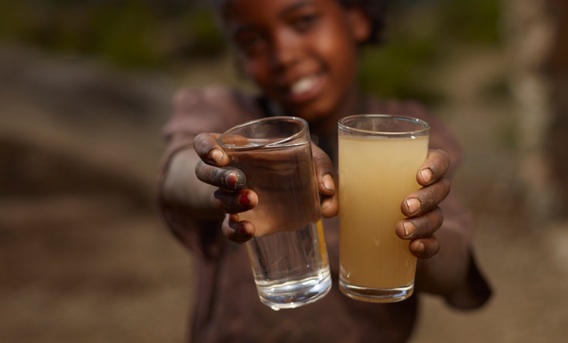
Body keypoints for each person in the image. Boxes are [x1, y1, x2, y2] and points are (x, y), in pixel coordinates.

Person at [157, 0, 492, 341]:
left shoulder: (408, 132)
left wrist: (422, 240)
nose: (283, 55)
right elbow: (177, 172)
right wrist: (226, 175)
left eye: (303, 21)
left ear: (357, 18)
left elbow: (455, 262)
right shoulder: (224, 113)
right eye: (252, 42)